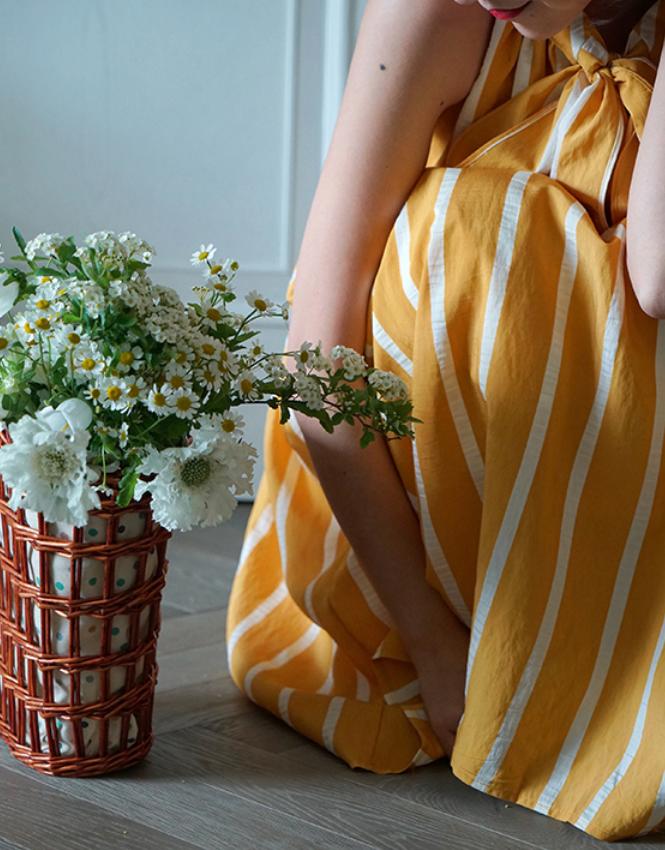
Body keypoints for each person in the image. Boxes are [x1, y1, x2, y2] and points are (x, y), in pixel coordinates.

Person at [226, 0, 664, 841]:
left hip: (602, 496)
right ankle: (501, 658)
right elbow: (314, 358)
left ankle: (589, 672)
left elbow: (656, 275)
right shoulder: (435, 13)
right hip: (404, 525)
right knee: (476, 226)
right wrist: (429, 641)